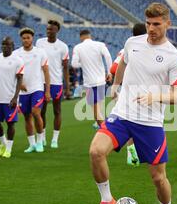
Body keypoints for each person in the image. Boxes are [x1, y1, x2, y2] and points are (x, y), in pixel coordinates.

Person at [88, 3, 177, 204]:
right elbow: (123, 62)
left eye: (156, 24)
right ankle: (106, 200)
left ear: (167, 24)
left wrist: (156, 96)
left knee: (158, 177)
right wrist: (117, 85)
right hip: (122, 114)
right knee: (96, 151)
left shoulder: (173, 57)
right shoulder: (133, 43)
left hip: (150, 123)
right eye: (149, 23)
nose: (151, 28)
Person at [110, 23, 147, 167]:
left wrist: (115, 84)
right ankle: (139, 152)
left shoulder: (125, 48)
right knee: (143, 122)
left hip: (126, 91)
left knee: (130, 121)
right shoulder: (143, 49)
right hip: (140, 91)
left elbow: (114, 67)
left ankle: (131, 153)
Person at [0, 37, 24, 158]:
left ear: (12, 46)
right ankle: (3, 143)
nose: (5, 46)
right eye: (3, 44)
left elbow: (20, 80)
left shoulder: (18, 61)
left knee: (10, 123)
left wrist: (15, 97)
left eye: (7, 45)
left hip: (10, 97)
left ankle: (9, 149)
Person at [14, 27, 51, 153]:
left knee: (36, 112)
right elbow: (13, 72)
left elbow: (46, 71)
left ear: (32, 38)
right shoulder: (16, 54)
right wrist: (19, 85)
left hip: (37, 88)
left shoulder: (40, 52)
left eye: (28, 38)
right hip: (23, 91)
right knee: (27, 117)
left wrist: (47, 90)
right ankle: (32, 144)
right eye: (23, 38)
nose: (25, 40)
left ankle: (40, 141)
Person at [36, 20, 70, 149]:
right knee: (41, 111)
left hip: (56, 82)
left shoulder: (63, 46)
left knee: (57, 110)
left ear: (57, 31)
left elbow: (66, 68)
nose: (49, 31)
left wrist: (67, 87)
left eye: (52, 29)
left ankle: (55, 139)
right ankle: (43, 137)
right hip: (41, 81)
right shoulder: (39, 43)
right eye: (48, 29)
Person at [71, 29, 112, 128]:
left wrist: (83, 64)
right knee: (99, 105)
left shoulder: (78, 47)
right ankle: (102, 125)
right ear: (90, 36)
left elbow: (74, 64)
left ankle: (106, 130)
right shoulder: (100, 44)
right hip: (101, 80)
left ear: (81, 37)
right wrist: (109, 72)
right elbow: (107, 56)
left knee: (95, 111)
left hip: (89, 82)